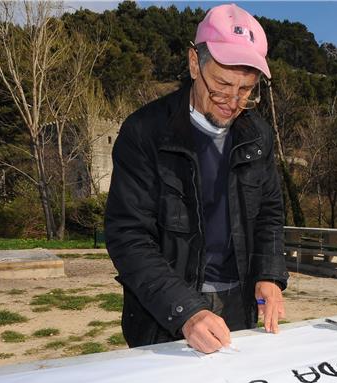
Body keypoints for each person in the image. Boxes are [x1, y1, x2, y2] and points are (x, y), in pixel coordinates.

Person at [105, 4, 287, 353]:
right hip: (165, 309)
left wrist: (269, 273)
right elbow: (128, 236)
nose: (232, 102)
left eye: (246, 89)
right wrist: (185, 308)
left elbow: (269, 213)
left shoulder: (257, 136)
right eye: (221, 84)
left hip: (239, 302)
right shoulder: (144, 132)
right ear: (193, 63)